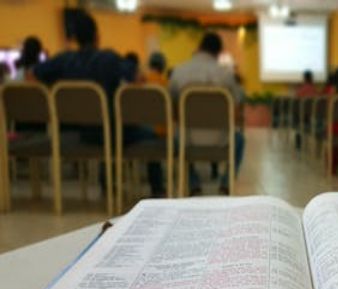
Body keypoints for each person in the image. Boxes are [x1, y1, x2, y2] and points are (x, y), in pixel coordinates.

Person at [33, 11, 165, 197]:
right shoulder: (108, 58)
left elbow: (33, 74)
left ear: (75, 38)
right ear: (97, 36)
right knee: (145, 133)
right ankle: (157, 190)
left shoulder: (64, 60)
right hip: (111, 131)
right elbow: (138, 77)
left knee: (106, 125)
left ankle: (107, 185)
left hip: (81, 132)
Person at [169, 32, 245, 195]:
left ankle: (193, 182)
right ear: (219, 53)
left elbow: (170, 105)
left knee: (175, 137)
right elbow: (237, 103)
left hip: (186, 140)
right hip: (221, 142)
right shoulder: (226, 75)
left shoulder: (178, 71)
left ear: (199, 47)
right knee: (239, 140)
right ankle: (226, 184)